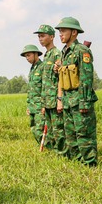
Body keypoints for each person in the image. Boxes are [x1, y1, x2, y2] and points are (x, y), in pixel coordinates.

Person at [54, 17, 98, 166]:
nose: (60, 34)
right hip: (67, 100)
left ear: (74, 32)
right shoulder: (64, 52)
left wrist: (84, 102)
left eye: (63, 31)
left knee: (84, 134)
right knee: (71, 135)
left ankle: (90, 165)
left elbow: (86, 78)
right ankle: (78, 164)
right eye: (59, 31)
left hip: (79, 101)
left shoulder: (81, 51)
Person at [35, 24, 64, 154]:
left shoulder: (57, 54)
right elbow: (45, 82)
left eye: (43, 36)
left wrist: (60, 99)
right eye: (39, 36)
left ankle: (62, 153)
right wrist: (43, 103)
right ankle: (54, 153)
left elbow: (61, 78)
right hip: (47, 101)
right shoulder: (46, 55)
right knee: (51, 130)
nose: (40, 39)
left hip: (55, 99)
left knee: (59, 130)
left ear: (51, 37)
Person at [21, 44, 44, 146]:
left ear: (36, 54)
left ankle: (48, 149)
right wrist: (28, 105)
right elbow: (31, 90)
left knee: (41, 130)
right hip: (32, 106)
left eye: (29, 55)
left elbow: (46, 88)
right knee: (33, 128)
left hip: (40, 106)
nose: (27, 58)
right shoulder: (32, 69)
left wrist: (45, 105)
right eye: (26, 56)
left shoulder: (42, 67)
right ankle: (43, 148)